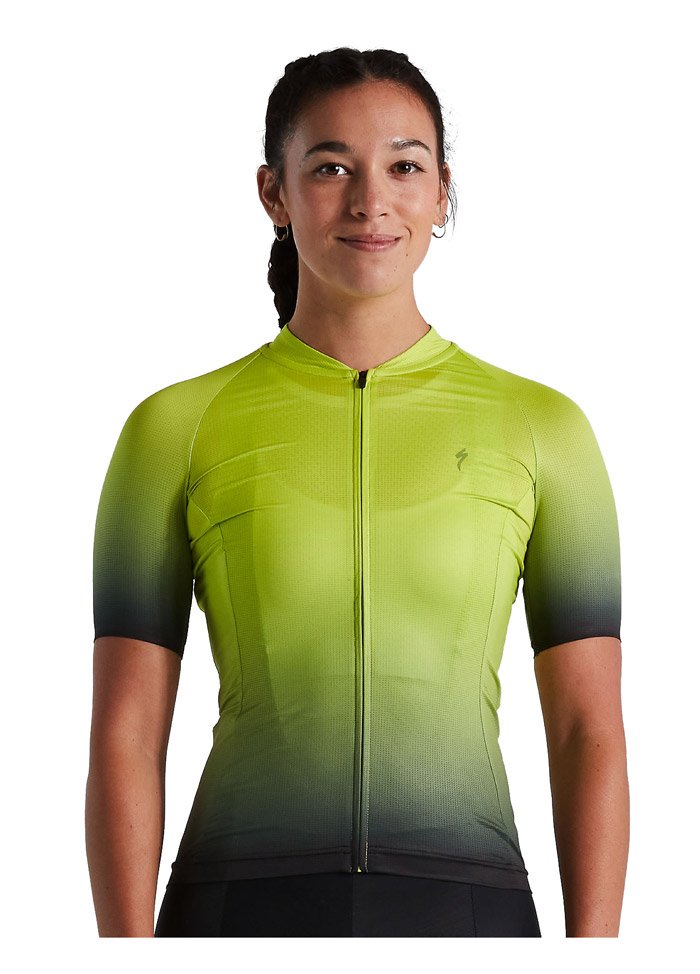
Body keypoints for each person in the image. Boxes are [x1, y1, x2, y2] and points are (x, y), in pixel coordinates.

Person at [85, 47, 629, 938]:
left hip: (469, 909)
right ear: (274, 193)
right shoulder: (173, 428)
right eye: (332, 167)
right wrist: (123, 958)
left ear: (442, 192)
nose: (371, 201)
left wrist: (597, 957)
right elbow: (127, 733)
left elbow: (587, 732)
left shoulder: (546, 430)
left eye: (405, 167)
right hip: (239, 907)